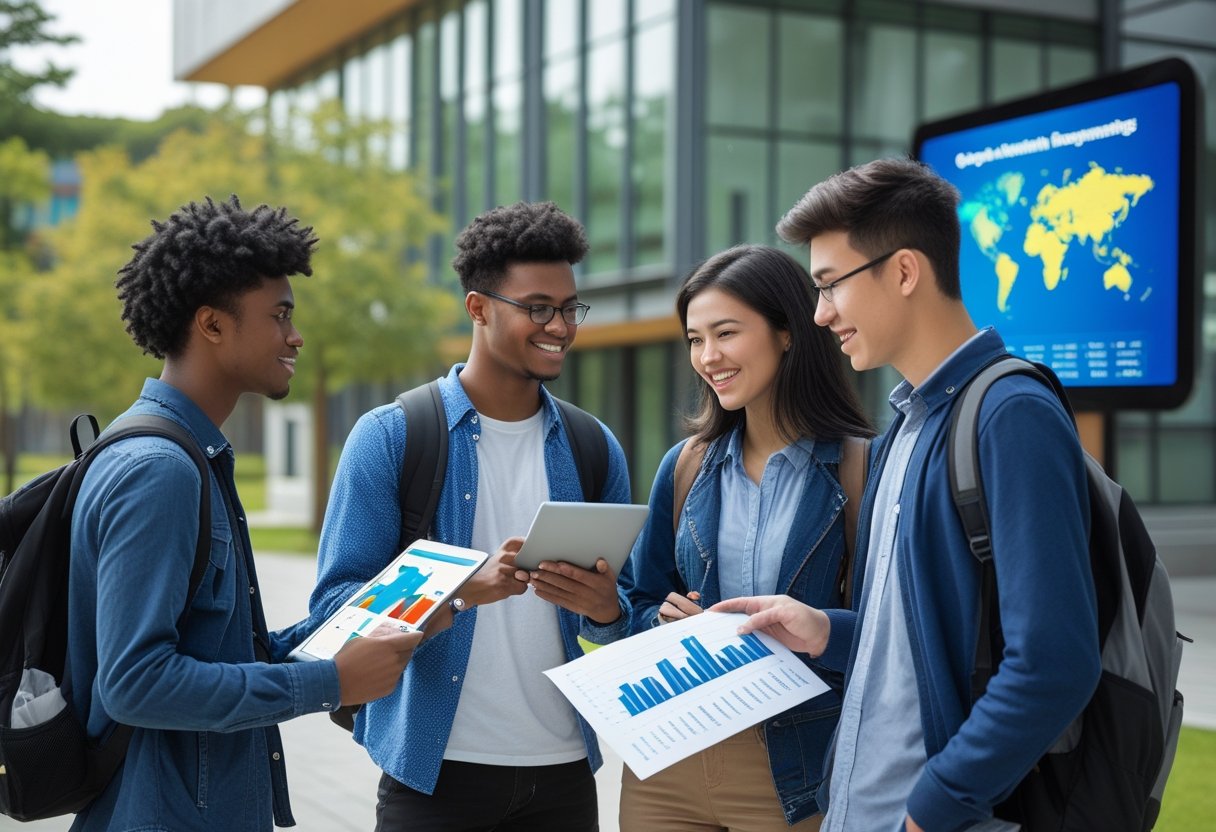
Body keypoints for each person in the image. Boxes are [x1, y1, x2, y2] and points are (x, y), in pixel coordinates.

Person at [714, 158, 1101, 832]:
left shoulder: (1010, 414)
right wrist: (825, 630)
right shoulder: (904, 429)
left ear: (903, 271)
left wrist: (933, 808)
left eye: (831, 283)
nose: (818, 312)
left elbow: (1054, 663)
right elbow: (922, 637)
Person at [66, 195, 428, 832]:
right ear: (211, 325)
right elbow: (136, 682)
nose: (296, 335)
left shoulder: (190, 455)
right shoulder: (162, 469)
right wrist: (328, 685)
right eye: (280, 315)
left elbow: (216, 650)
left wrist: (371, 625)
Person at [308, 201, 632, 832]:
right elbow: (334, 616)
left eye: (569, 308)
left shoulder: (595, 447)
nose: (561, 326)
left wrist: (606, 609)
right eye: (538, 307)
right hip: (433, 775)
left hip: (565, 775)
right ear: (478, 308)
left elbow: (627, 623)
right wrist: (457, 594)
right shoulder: (392, 437)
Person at [614, 244, 875, 831]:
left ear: (787, 332)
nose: (708, 357)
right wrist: (659, 624)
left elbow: (898, 635)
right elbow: (635, 604)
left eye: (725, 333)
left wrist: (819, 631)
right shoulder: (684, 467)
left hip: (799, 771)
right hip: (668, 760)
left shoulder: (865, 469)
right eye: (694, 339)